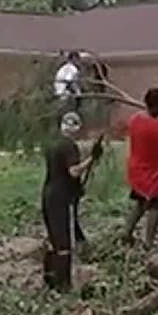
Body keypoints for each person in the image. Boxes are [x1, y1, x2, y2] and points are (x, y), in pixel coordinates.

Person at [41, 112, 99, 292]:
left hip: (48, 195)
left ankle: (49, 280)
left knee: (54, 239)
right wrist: (91, 160)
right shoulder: (68, 146)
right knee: (65, 242)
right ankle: (63, 285)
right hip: (62, 198)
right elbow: (73, 171)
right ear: (76, 128)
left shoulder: (53, 143)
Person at [122, 88, 158, 249]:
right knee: (157, 207)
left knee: (140, 203)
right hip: (152, 174)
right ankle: (148, 242)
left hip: (136, 170)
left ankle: (126, 233)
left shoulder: (135, 119)